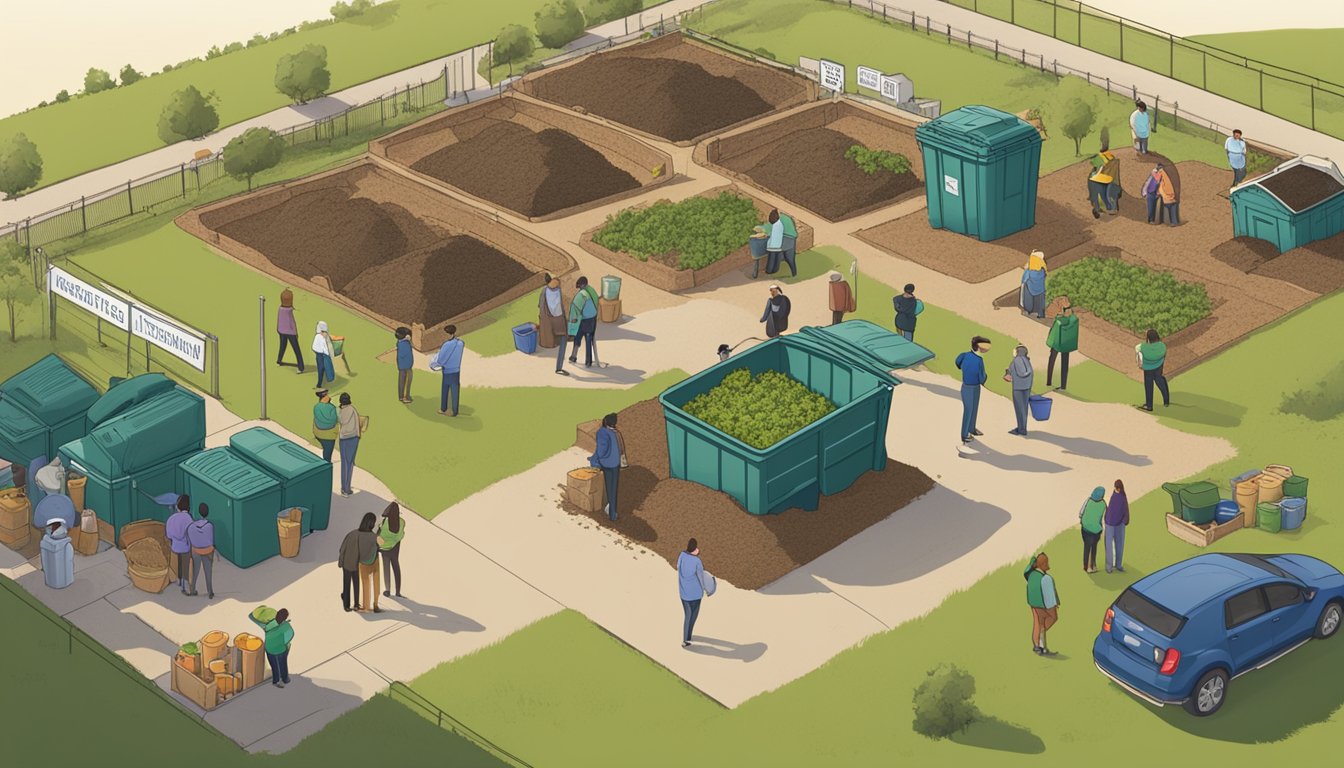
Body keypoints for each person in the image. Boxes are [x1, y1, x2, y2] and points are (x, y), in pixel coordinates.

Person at [338, 513, 378, 612]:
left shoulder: (352, 533)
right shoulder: (372, 536)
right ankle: (356, 604)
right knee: (356, 583)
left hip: (347, 562)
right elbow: (370, 552)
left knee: (346, 583)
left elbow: (342, 548)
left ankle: (346, 604)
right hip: (357, 563)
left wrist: (341, 561)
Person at [955, 336, 990, 444]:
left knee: (973, 408)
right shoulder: (979, 360)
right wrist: (984, 379)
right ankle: (964, 434)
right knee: (969, 410)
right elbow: (982, 376)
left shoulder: (964, 355)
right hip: (971, 387)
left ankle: (972, 428)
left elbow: (957, 363)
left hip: (969, 386)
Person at [589, 413, 623, 522]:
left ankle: (611, 514)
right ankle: (612, 511)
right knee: (614, 488)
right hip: (616, 463)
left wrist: (594, 459)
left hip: (607, 464)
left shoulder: (602, 432)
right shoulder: (616, 432)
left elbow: (601, 450)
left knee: (609, 487)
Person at [1024, 553, 1059, 656]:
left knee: (1037, 623)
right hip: (1042, 604)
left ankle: (1038, 645)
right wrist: (1054, 605)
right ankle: (1040, 644)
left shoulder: (1031, 575)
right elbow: (1049, 598)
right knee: (1047, 622)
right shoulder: (1045, 579)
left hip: (1033, 602)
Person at [249, 607, 294, 688]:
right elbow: (290, 635)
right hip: (281, 649)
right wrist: (284, 643)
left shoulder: (268, 624)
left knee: (274, 665)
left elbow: (251, 617)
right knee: (283, 664)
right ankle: (285, 679)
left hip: (269, 648)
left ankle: (276, 680)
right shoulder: (286, 625)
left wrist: (254, 614)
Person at [429, 325, 464, 417]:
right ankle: (454, 410)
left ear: (448, 334)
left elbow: (441, 359)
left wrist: (435, 363)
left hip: (447, 369)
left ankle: (444, 408)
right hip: (456, 369)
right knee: (455, 390)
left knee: (445, 389)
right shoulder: (460, 343)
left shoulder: (446, 345)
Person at [539, 275, 569, 376]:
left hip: (549, 322)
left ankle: (559, 367)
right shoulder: (558, 291)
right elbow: (560, 308)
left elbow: (540, 305)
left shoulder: (544, 291)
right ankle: (559, 367)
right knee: (563, 340)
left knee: (559, 340)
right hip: (559, 321)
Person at [567, 277, 601, 368]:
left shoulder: (581, 295)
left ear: (581, 285)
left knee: (578, 337)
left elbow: (575, 307)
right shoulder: (592, 290)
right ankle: (588, 361)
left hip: (584, 320)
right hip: (592, 319)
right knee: (589, 340)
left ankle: (574, 356)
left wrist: (572, 319)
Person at [677, 538, 705, 648]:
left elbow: (678, 566)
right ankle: (688, 636)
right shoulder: (697, 561)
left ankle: (686, 638)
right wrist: (706, 589)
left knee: (687, 615)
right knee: (694, 614)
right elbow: (701, 576)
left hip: (684, 593)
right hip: (696, 594)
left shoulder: (682, 556)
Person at [1045, 304, 1078, 390]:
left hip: (1057, 343)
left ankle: (1049, 381)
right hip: (1066, 344)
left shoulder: (1059, 321)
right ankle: (1063, 385)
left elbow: (1053, 332)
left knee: (1052, 360)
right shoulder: (1074, 320)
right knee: (1064, 364)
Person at [1138, 329, 1171, 411]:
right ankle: (1166, 401)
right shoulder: (1162, 346)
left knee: (1148, 386)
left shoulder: (1144, 347)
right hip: (1158, 367)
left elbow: (1139, 352)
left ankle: (1149, 405)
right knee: (1160, 381)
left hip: (1148, 368)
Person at [166, 495, 193, 594]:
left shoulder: (171, 519)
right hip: (185, 547)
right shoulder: (189, 519)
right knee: (185, 564)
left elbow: (169, 535)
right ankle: (184, 583)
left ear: (177, 506)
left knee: (178, 563)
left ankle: (178, 579)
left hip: (175, 546)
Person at [337, 393, 362, 497]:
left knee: (344, 463)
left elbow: (342, 421)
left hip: (344, 438)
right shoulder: (353, 409)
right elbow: (357, 423)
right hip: (353, 438)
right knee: (350, 463)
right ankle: (347, 488)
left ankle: (344, 488)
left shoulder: (341, 411)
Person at [378, 502, 406, 598]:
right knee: (396, 567)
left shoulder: (384, 522)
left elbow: (380, 535)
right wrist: (394, 541)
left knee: (386, 567)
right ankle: (398, 591)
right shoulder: (402, 522)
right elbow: (400, 536)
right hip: (394, 548)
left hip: (384, 548)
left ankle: (387, 590)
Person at [187, 503, 215, 599]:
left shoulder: (191, 527)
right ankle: (210, 592)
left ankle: (192, 590)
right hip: (207, 551)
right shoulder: (209, 526)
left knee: (195, 572)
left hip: (196, 551)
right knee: (208, 572)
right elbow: (210, 541)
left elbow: (190, 540)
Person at [1006, 345, 1033, 436]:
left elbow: (1019, 372)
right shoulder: (1027, 361)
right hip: (1027, 387)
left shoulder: (1017, 360)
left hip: (1018, 387)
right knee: (1024, 408)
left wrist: (1009, 374)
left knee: (1019, 409)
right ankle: (1023, 427)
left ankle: (1021, 429)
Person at [1088, 139, 1119, 218]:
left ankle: (1098, 207)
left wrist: (1095, 174)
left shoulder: (1100, 157)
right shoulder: (1111, 156)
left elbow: (1099, 166)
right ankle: (1108, 208)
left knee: (1098, 194)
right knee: (1105, 195)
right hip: (1107, 179)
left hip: (1100, 179)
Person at [276, 289, 305, 372]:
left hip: (281, 331)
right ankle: (301, 367)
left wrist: (278, 329)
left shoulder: (280, 309)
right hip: (291, 333)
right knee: (296, 349)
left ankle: (279, 360)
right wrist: (296, 333)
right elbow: (292, 323)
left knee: (282, 346)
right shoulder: (289, 311)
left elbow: (279, 321)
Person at [1079, 487, 1106, 574]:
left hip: (1085, 529)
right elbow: (1104, 520)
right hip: (1096, 531)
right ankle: (1093, 565)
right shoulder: (1103, 504)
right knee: (1094, 547)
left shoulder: (1088, 500)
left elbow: (1080, 512)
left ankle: (1086, 566)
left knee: (1087, 547)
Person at [1105, 480, 1129, 574]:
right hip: (1112, 524)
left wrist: (1124, 521)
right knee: (1111, 546)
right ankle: (1110, 566)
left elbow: (1124, 510)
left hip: (1117, 524)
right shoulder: (1118, 496)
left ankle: (1117, 565)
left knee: (1118, 545)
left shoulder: (1120, 497)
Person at [312, 390, 338, 462]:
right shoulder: (332, 407)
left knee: (326, 451)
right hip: (328, 435)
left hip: (318, 433)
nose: (329, 397)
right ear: (324, 397)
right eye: (327, 395)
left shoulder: (316, 407)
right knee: (327, 454)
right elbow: (334, 420)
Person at [1020, 251, 1047, 319]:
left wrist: (1026, 269)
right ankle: (1040, 313)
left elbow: (1024, 280)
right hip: (1041, 289)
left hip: (1030, 288)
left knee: (1028, 299)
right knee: (1040, 301)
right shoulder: (1042, 271)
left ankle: (1028, 311)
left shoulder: (1029, 272)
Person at [312, 321, 336, 389]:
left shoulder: (320, 336)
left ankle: (320, 383)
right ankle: (320, 383)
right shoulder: (321, 337)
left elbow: (316, 347)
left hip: (321, 355)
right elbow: (324, 347)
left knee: (321, 368)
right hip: (322, 355)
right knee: (322, 368)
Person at [395, 327, 414, 404]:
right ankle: (406, 397)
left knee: (401, 381)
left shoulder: (399, 342)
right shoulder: (405, 344)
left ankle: (401, 396)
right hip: (407, 367)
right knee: (407, 382)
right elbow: (408, 354)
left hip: (401, 366)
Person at [763, 209, 785, 275]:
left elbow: (773, 236)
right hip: (779, 245)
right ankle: (775, 270)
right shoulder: (780, 224)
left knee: (771, 259)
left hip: (773, 246)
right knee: (777, 259)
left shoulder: (775, 225)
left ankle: (769, 271)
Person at [779, 210, 799, 277]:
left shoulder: (779, 221)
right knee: (790, 259)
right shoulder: (788, 219)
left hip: (786, 240)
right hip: (791, 239)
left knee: (786, 257)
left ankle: (793, 273)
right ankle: (794, 273)